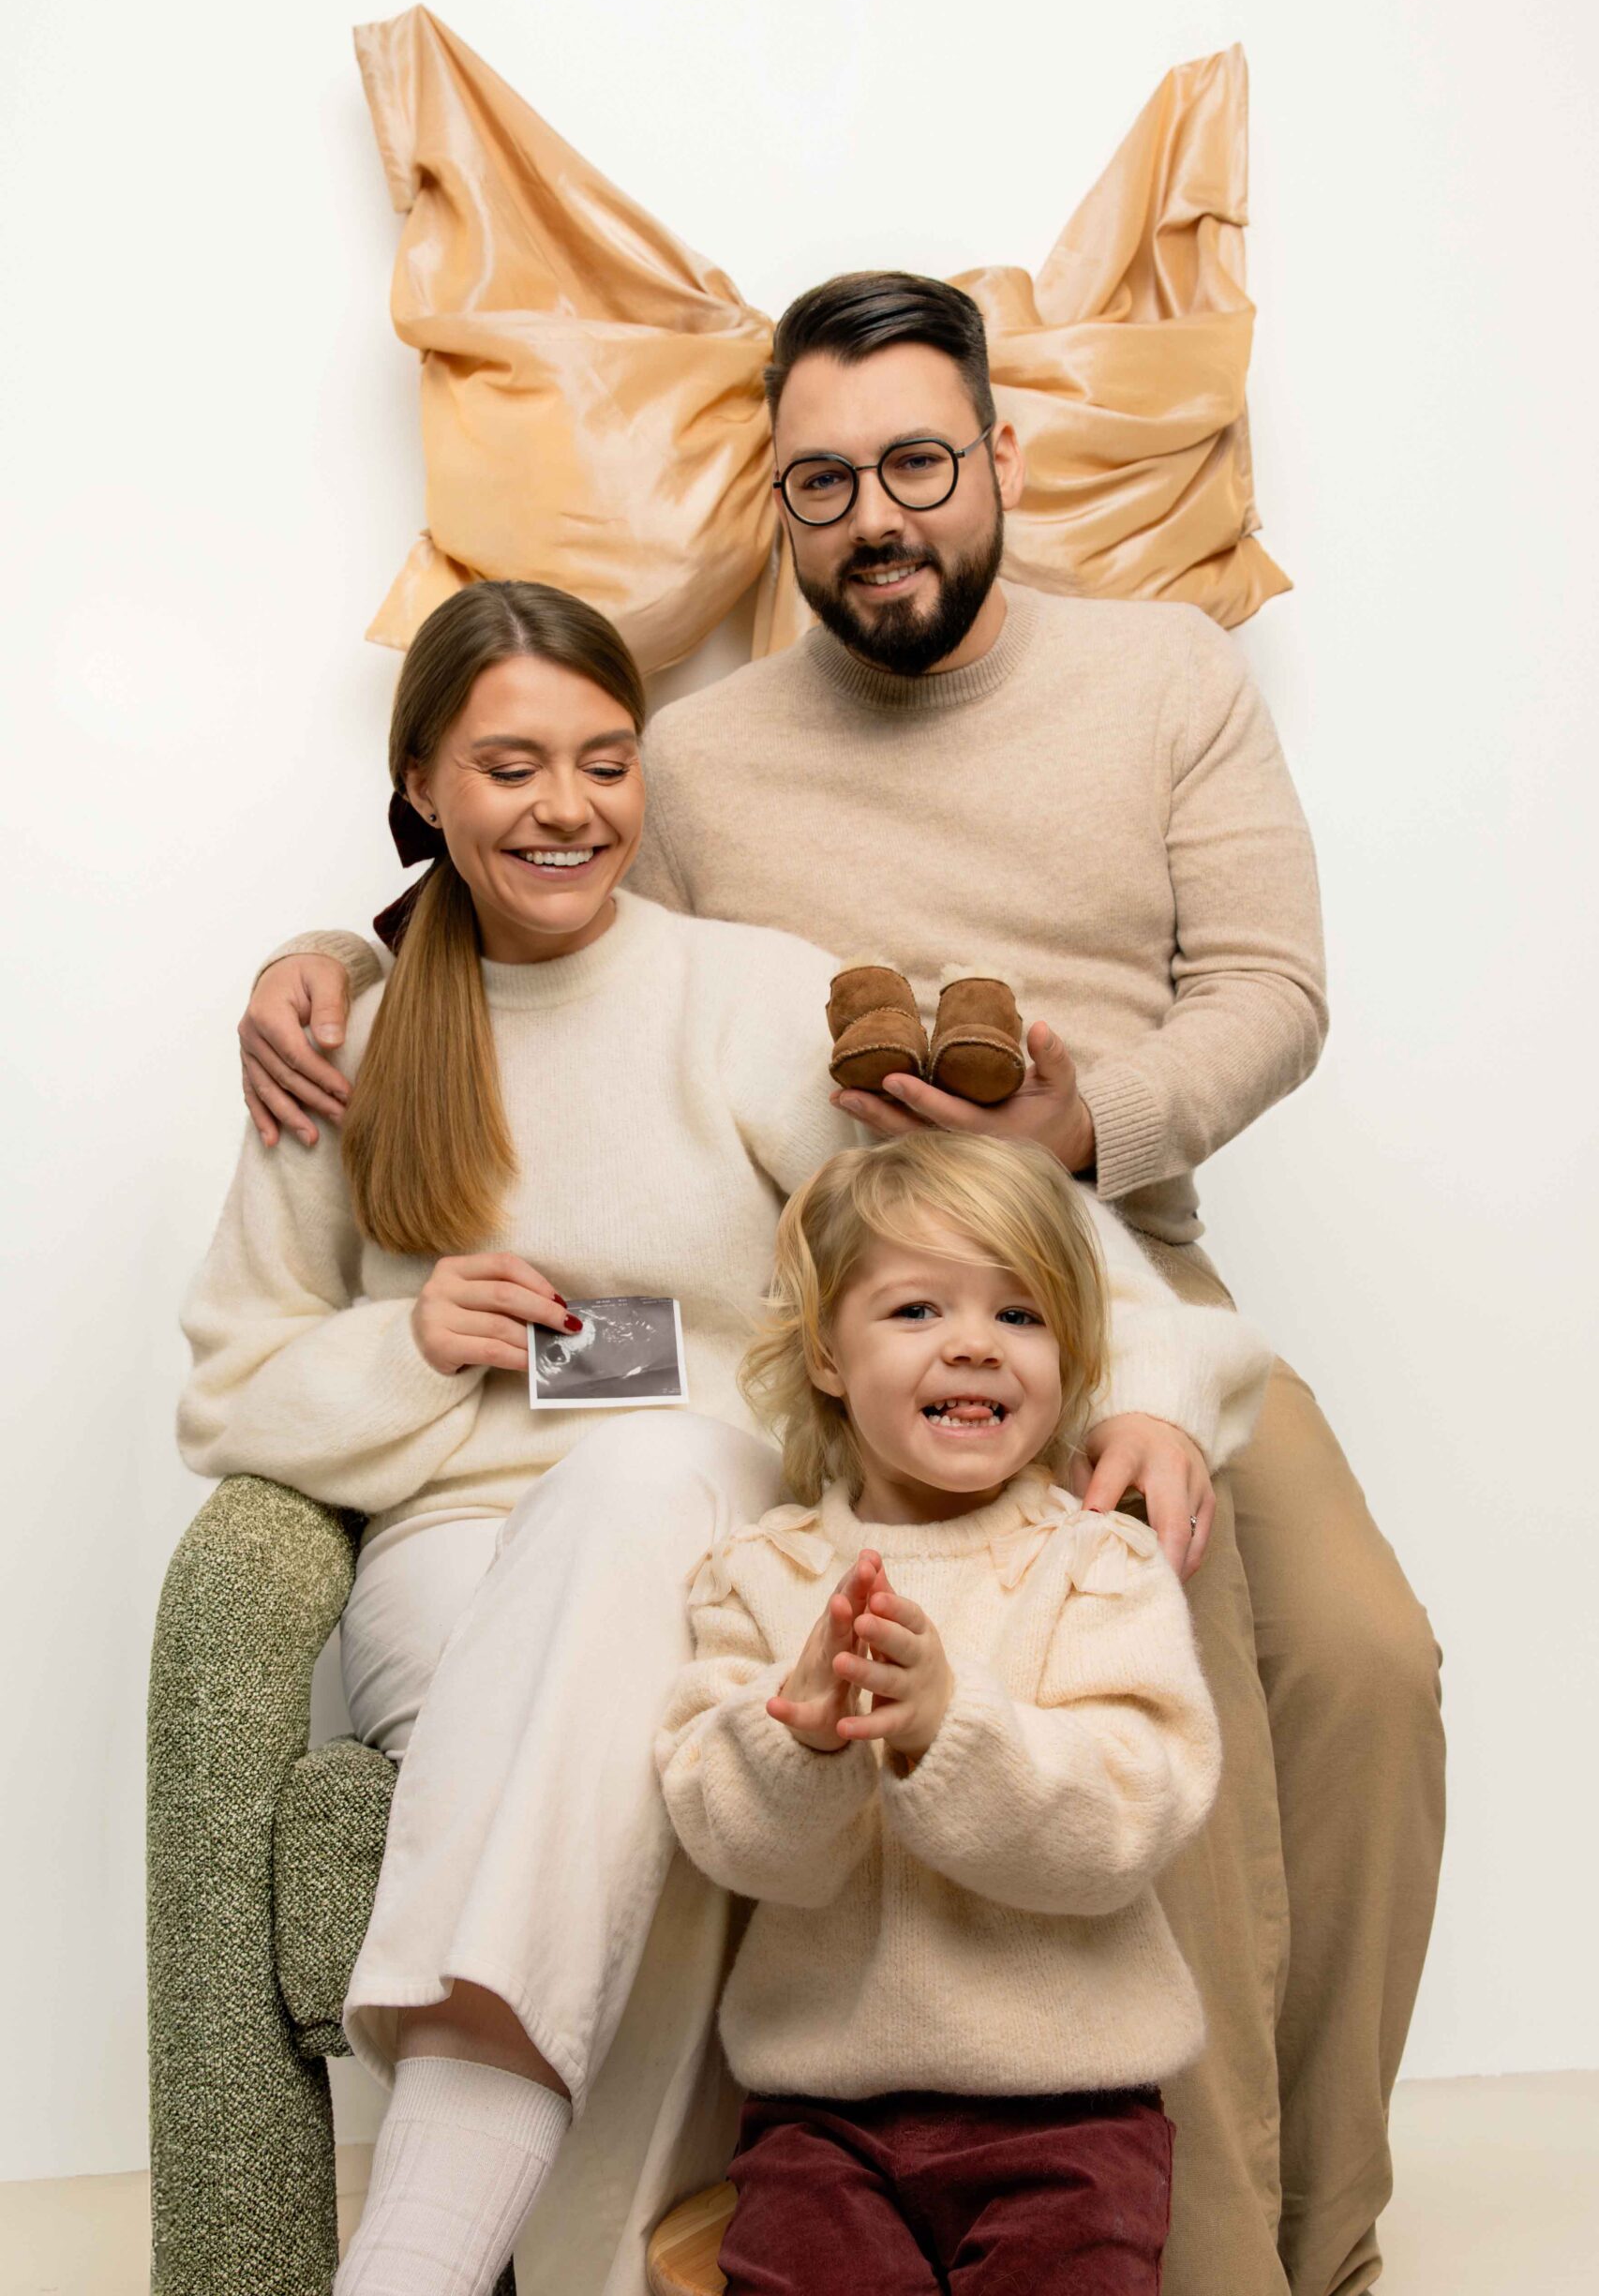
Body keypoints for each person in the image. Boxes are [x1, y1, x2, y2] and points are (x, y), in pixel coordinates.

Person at [246, 273, 1444, 2296]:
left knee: (1360, 1662)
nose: (875, 513)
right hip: (849, 1306)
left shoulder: (1163, 678)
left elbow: (1273, 988)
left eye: (912, 461)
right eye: (821, 480)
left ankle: (1310, 2232)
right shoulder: (696, 753)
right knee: (1174, 1627)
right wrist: (332, 960)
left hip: (1119, 1257)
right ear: (778, 505)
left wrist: (1090, 1129)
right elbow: (532, 905)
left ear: (996, 458)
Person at [182, 574, 1263, 2296]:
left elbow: (992, 1232)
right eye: (511, 766)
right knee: (630, 1707)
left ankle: (421, 2256)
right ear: (422, 790)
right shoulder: (355, 1042)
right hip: (457, 1552)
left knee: (646, 1503)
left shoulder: (755, 995)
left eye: (607, 763)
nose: (566, 808)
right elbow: (230, 1382)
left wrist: (1150, 1387)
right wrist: (404, 1345)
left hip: (721, 1520)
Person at [659, 1131, 1269, 2296]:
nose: (974, 1344)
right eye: (915, 1310)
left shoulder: (1098, 1566)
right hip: (820, 2121)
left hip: (1071, 2119)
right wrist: (804, 1734)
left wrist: (951, 1726)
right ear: (828, 1355)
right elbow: (724, 1833)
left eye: (1022, 1315)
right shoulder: (756, 1572)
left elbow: (1128, 1814)